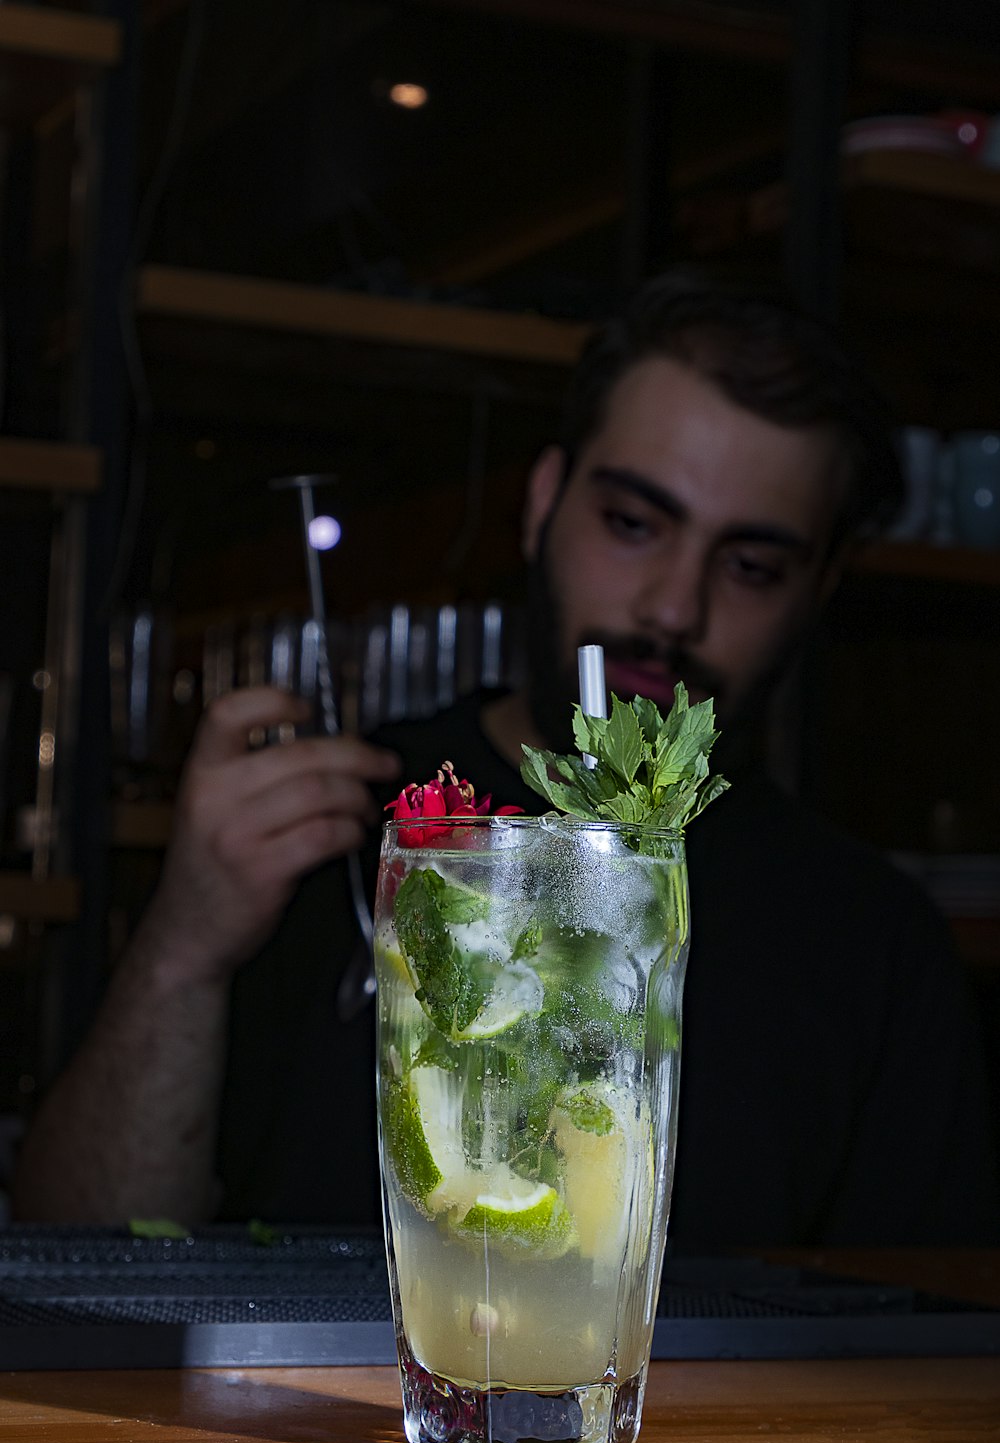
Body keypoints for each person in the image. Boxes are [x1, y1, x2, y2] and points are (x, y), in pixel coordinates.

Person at [13, 269, 998, 1246]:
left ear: (817, 589)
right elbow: (69, 1254)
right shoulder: (331, 831)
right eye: (630, 523)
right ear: (541, 503)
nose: (671, 608)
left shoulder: (873, 944)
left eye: (750, 566)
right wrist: (183, 953)